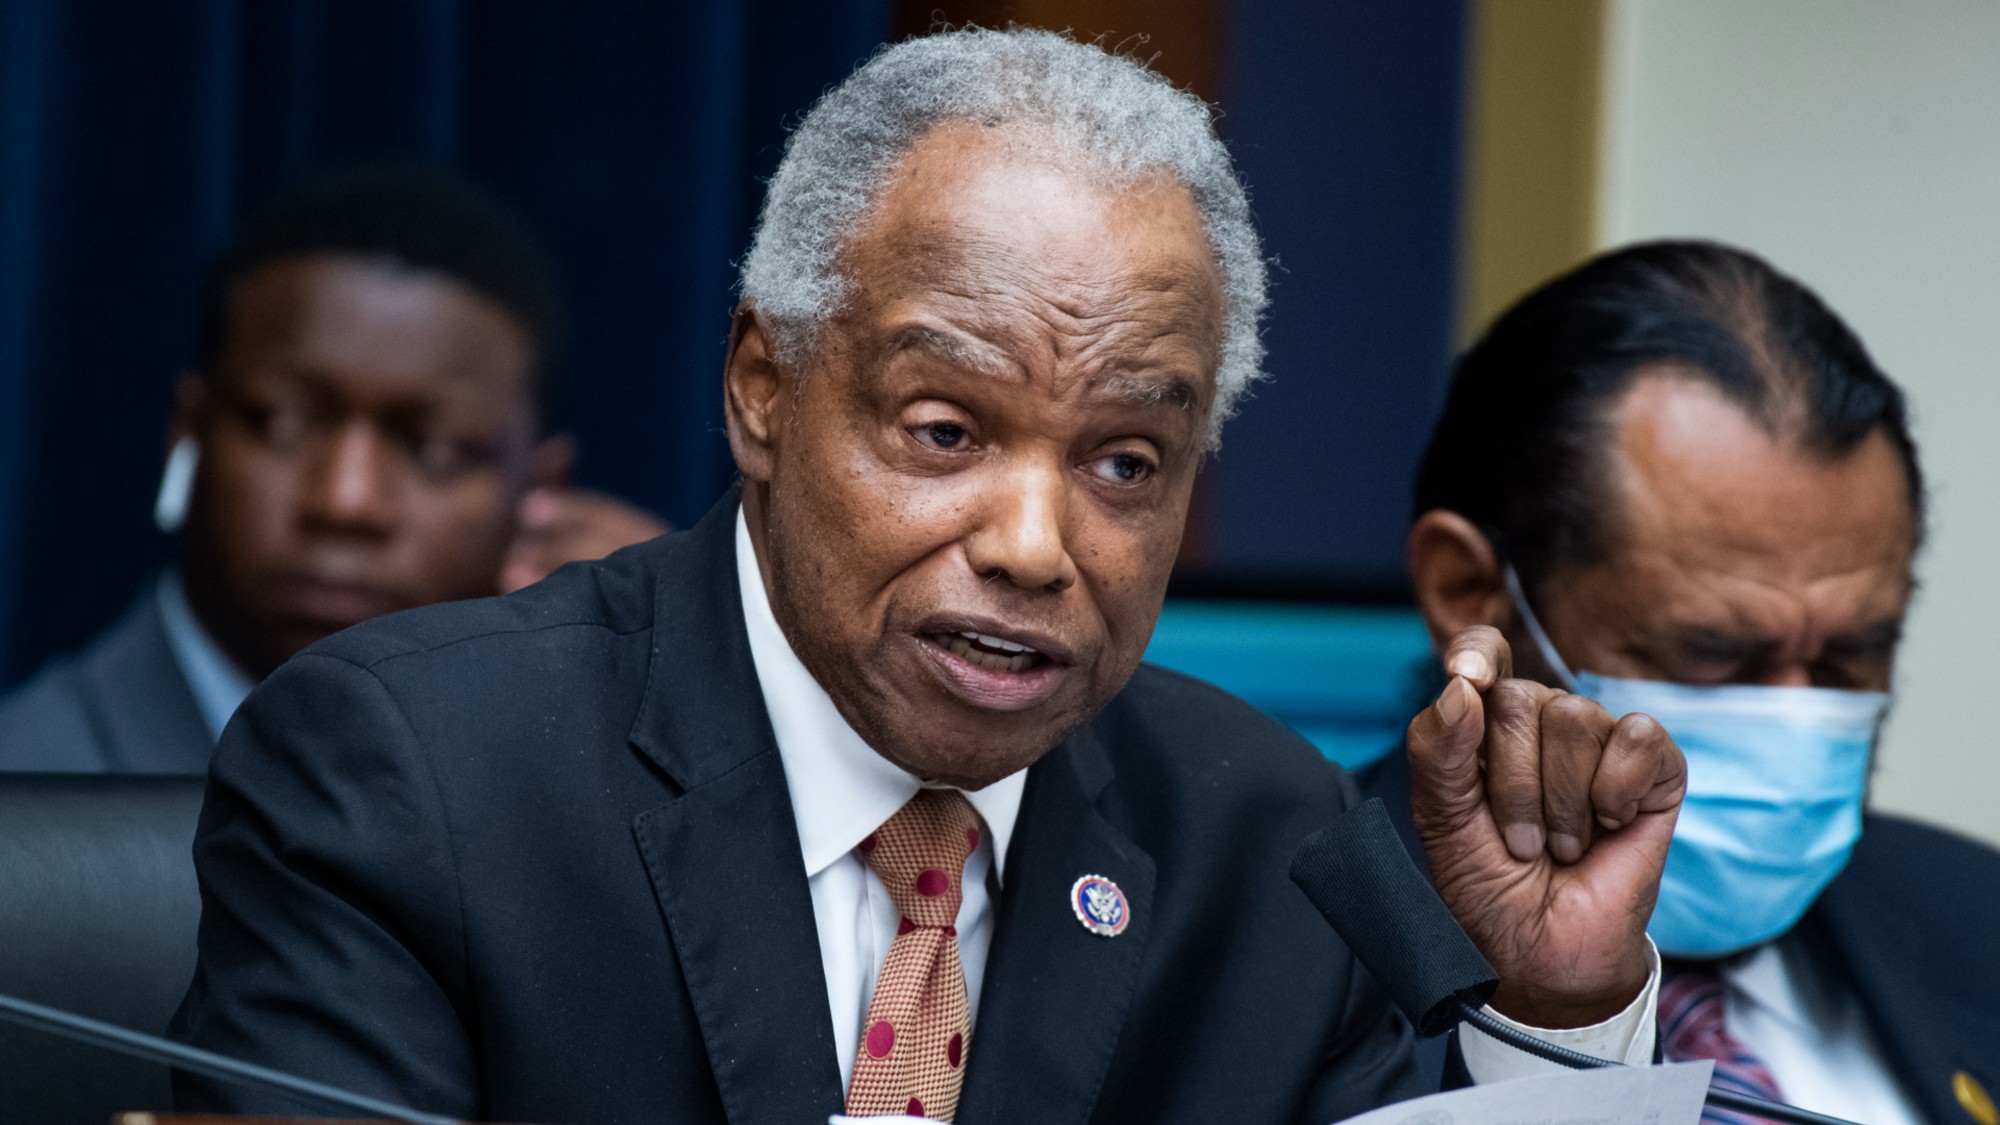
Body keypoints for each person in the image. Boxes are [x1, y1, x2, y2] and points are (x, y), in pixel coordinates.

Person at [170, 30, 1686, 1123]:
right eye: (947, 428)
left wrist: (1552, 1019)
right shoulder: (412, 774)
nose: (1035, 544)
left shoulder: (1265, 840)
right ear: (764, 389)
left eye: (1124, 465)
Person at [1361, 241, 2000, 1125]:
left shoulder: (1977, 917)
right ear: (1469, 591)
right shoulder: (1262, 960)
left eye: (1854, 652)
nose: (1796, 712)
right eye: (1712, 653)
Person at [0, 166, 665, 773]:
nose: (345, 501)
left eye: (432, 447)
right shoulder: (27, 792)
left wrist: (678, 685)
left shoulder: (594, 787)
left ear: (537, 495)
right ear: (189, 431)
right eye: (279, 422)